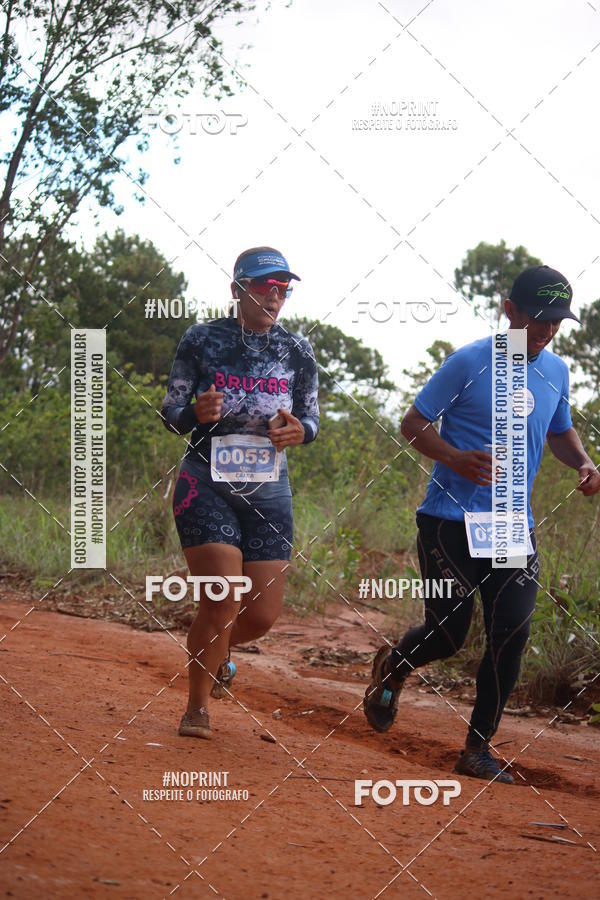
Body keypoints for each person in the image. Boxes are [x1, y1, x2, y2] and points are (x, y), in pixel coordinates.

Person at [363, 265, 600, 783]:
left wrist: (583, 461)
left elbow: (560, 430)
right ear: (508, 310)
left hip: (513, 524)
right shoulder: (469, 361)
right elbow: (412, 424)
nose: (547, 330)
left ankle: (476, 750)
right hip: (449, 520)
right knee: (449, 635)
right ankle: (394, 666)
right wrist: (453, 457)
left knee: (511, 632)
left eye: (557, 321)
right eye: (537, 318)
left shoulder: (556, 371)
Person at [161, 246, 319, 739]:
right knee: (223, 598)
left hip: (269, 489)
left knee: (263, 615)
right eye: (264, 286)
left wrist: (301, 431)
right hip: (205, 481)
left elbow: (311, 417)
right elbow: (170, 410)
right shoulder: (202, 338)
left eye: (282, 289)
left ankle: (219, 652)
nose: (275, 296)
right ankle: (196, 708)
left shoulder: (298, 351)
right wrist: (195, 413)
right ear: (237, 290)